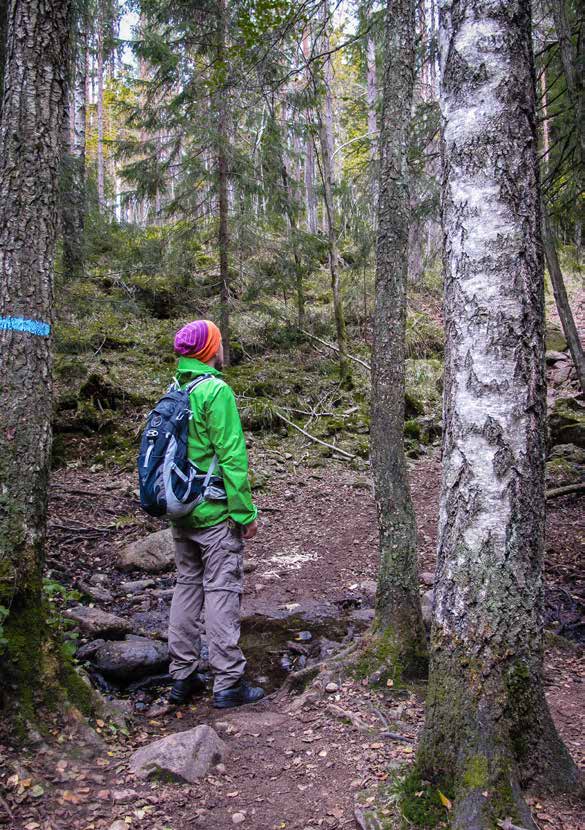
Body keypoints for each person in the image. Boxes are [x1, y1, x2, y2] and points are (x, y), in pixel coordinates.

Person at [167, 319, 264, 709]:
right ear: (210, 350)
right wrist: (245, 513)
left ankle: (182, 677)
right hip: (214, 513)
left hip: (180, 510)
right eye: (219, 342)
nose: (222, 348)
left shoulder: (175, 389)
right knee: (221, 590)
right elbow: (232, 456)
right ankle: (228, 683)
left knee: (187, 586)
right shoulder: (215, 390)